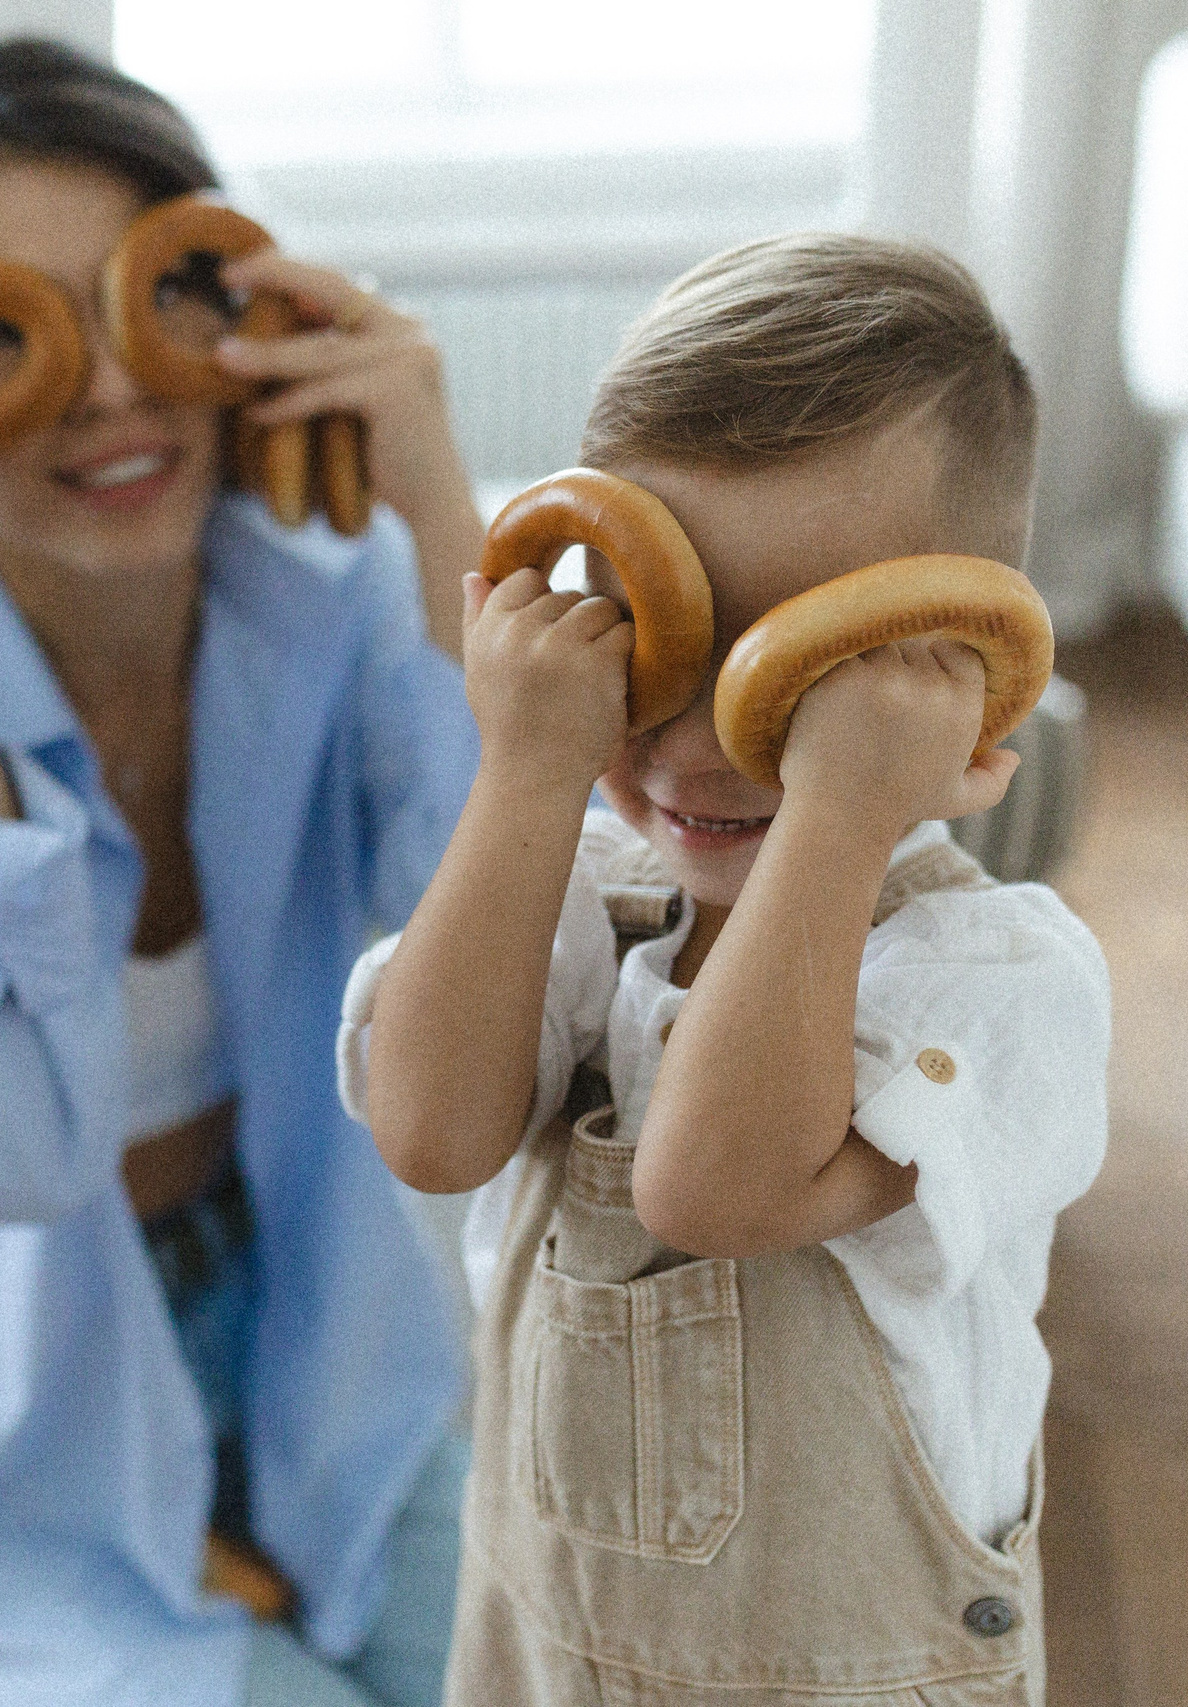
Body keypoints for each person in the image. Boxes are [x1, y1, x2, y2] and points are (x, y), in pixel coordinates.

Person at [0, 40, 485, 1707]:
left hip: (314, 1344)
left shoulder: (322, 598)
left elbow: (511, 959)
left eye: (157, 297)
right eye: (6, 330)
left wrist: (437, 508)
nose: (114, 388)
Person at [338, 235, 1111, 1705]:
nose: (697, 743)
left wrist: (841, 812)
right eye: (657, 636)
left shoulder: (1001, 979)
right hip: (540, 1644)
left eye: (799, 673)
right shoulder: (575, 892)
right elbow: (429, 1133)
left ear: (964, 675)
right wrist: (524, 773)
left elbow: (713, 1191)